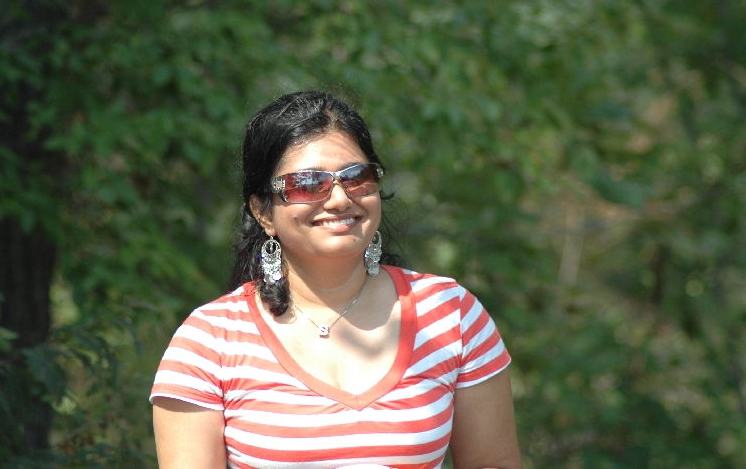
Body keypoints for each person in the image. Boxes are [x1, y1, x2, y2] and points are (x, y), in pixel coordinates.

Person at [151, 91, 523, 469]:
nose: (340, 199)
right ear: (263, 211)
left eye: (358, 178)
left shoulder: (450, 314)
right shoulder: (210, 341)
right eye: (307, 183)